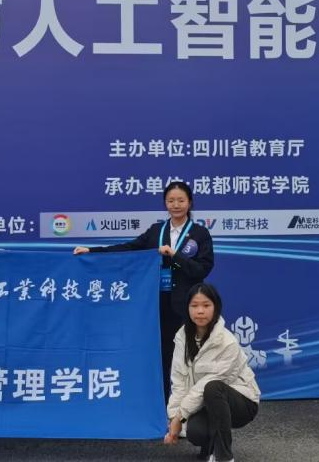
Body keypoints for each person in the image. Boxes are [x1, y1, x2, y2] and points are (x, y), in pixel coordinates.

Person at [73, 181, 214, 396]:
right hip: (156, 304)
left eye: (181, 200)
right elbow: (129, 249)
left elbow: (202, 269)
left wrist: (175, 255)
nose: (176, 205)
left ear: (190, 202)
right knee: (162, 355)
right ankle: (164, 402)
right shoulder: (157, 231)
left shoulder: (199, 233)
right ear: (165, 203)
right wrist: (92, 251)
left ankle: (190, 402)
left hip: (186, 305)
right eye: (170, 200)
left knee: (187, 355)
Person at [163, 283, 260, 462]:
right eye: (194, 305)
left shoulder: (227, 342)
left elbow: (205, 385)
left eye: (206, 305)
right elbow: (179, 381)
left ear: (216, 308)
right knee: (195, 432)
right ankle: (210, 447)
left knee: (212, 387)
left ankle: (224, 456)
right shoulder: (182, 337)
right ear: (187, 308)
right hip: (206, 400)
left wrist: (180, 416)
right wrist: (174, 419)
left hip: (242, 402)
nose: (200, 311)